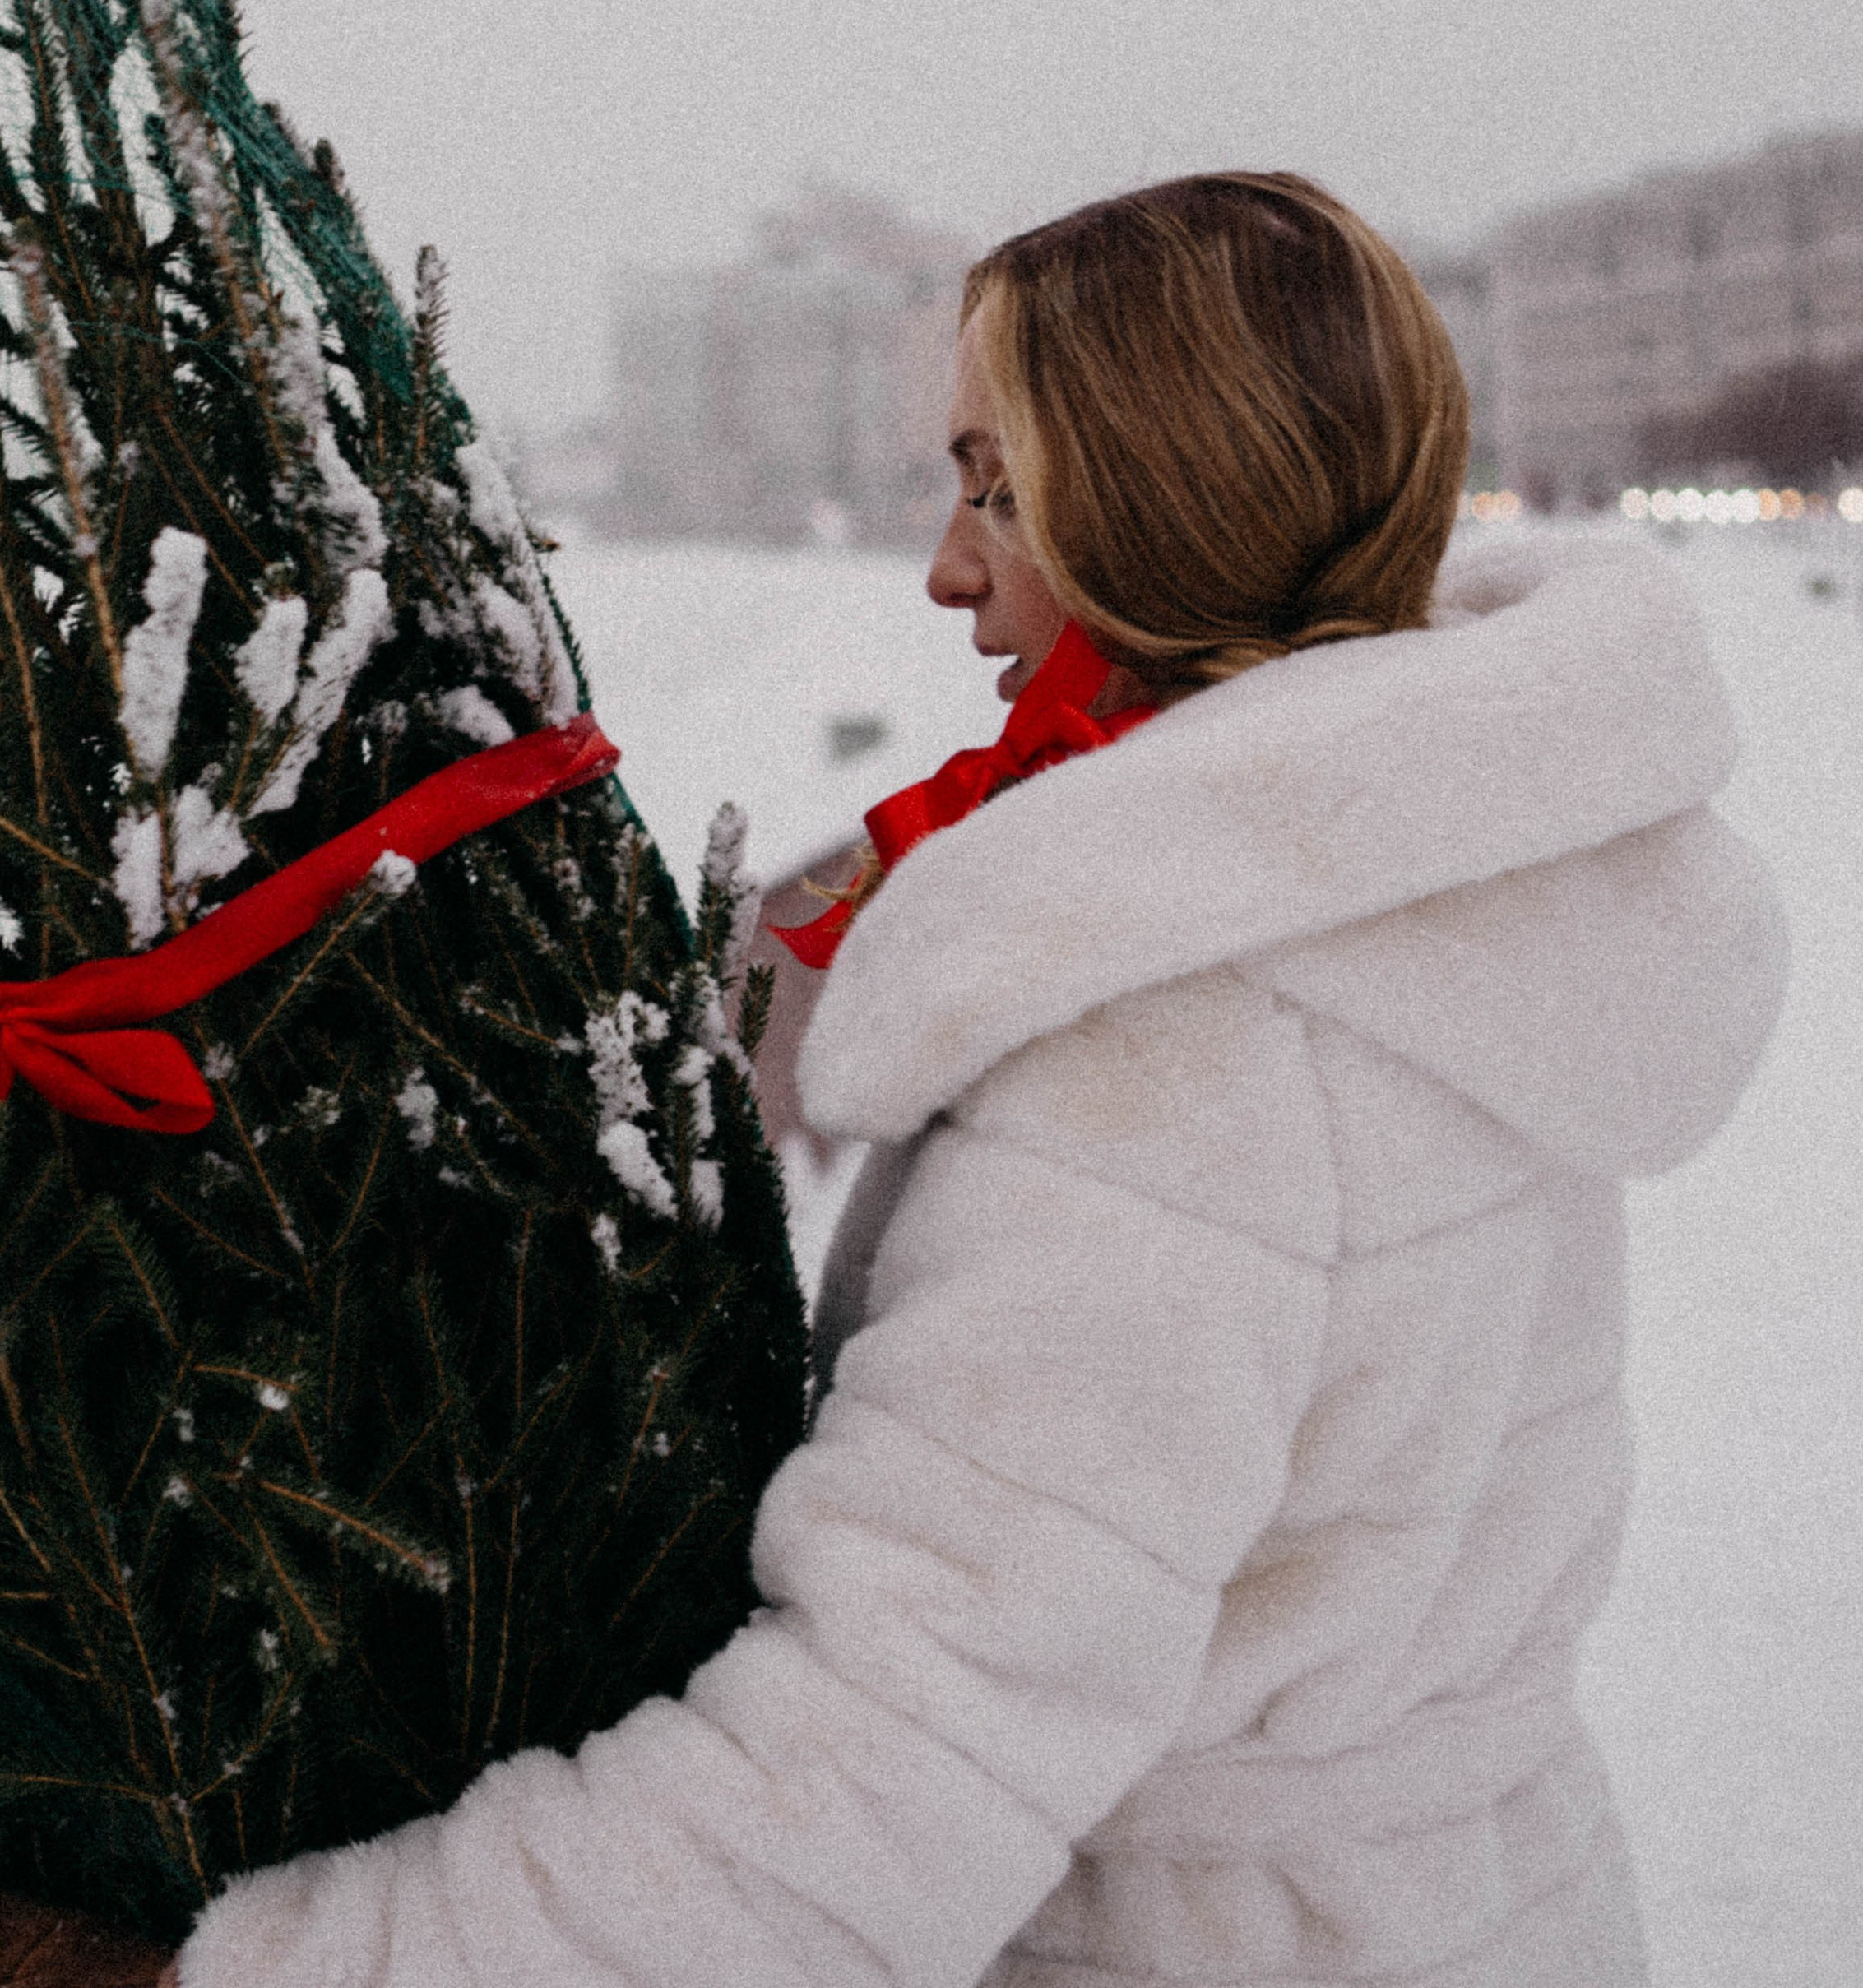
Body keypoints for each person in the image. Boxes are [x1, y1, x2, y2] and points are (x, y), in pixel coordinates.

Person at [156, 170, 1782, 1987]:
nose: (946, 567)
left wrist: (296, 1967)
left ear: (1168, 496)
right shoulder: (1433, 895)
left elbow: (876, 1774)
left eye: (997, 490)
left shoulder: (1179, 1049)